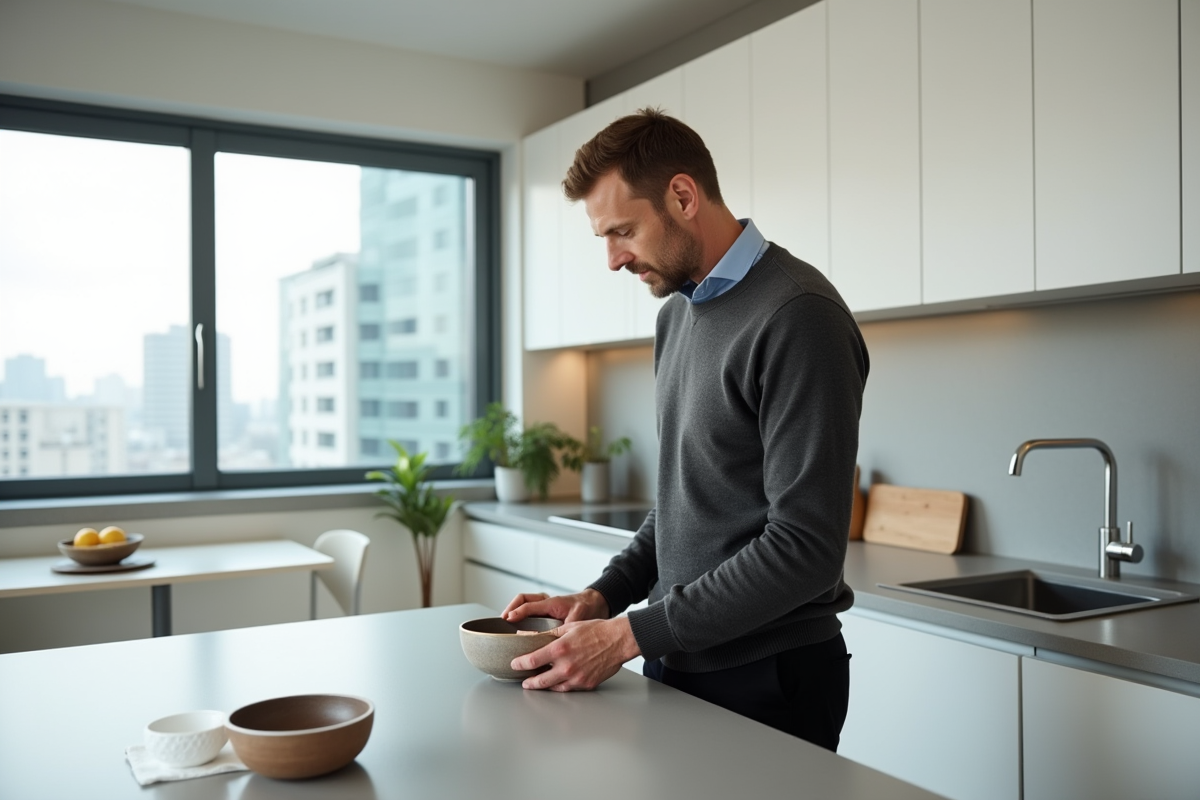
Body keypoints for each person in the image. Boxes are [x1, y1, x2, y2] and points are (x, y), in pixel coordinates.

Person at [503, 108, 869, 752]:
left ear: (682, 195)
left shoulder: (797, 316)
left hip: (769, 676)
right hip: (679, 658)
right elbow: (684, 499)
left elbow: (806, 549)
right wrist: (605, 597)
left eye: (624, 231)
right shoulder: (678, 317)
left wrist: (629, 635)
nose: (614, 259)